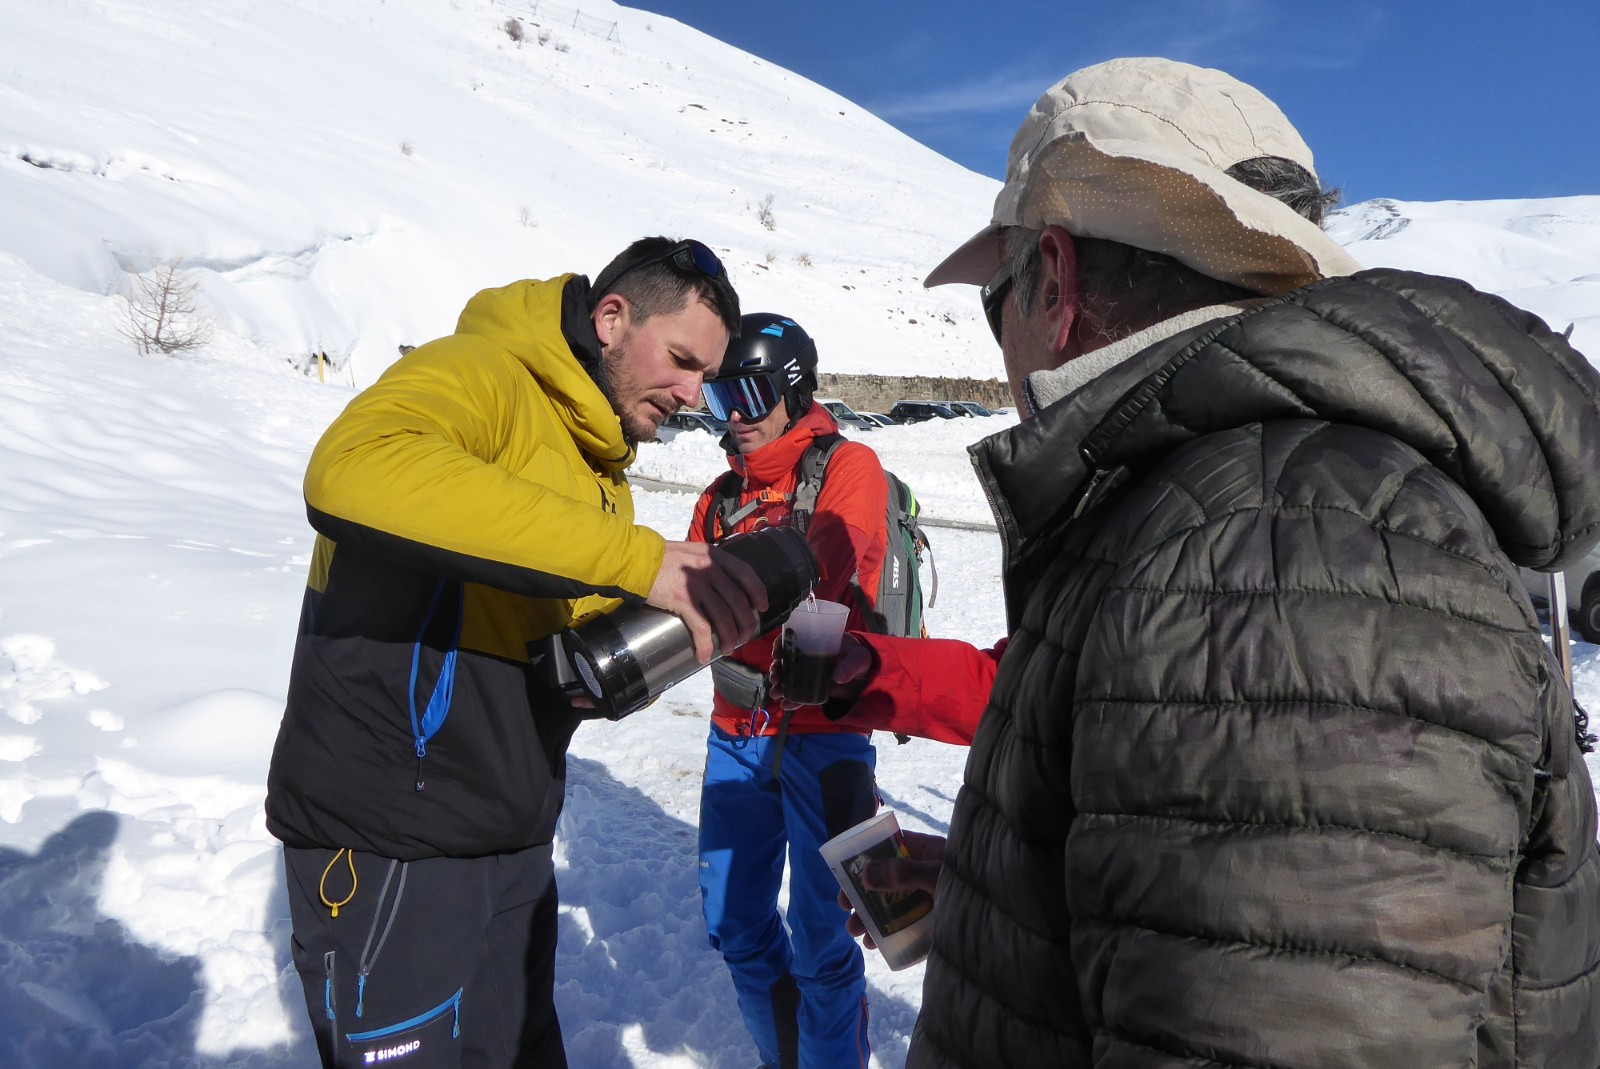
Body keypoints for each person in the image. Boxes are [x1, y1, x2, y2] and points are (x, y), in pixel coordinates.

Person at [789, 58, 1600, 1067]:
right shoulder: (1235, 512)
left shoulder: (1269, 544)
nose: (1002, 346)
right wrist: (992, 888)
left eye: (995, 302)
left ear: (1055, 273)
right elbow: (1244, 926)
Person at [266, 236, 773, 1069]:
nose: (693, 395)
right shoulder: (482, 372)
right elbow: (355, 467)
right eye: (682, 360)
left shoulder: (595, 456)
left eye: (706, 377)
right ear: (612, 319)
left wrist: (655, 640)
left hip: (508, 841)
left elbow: (535, 637)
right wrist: (638, 559)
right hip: (395, 842)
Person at [687, 312, 890, 1069]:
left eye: (750, 392)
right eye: (717, 399)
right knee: (734, 924)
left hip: (825, 733)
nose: (733, 416)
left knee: (822, 936)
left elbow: (821, 573)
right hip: (736, 728)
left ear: (793, 386)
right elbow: (689, 610)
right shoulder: (716, 498)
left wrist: (718, 589)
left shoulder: (849, 469)